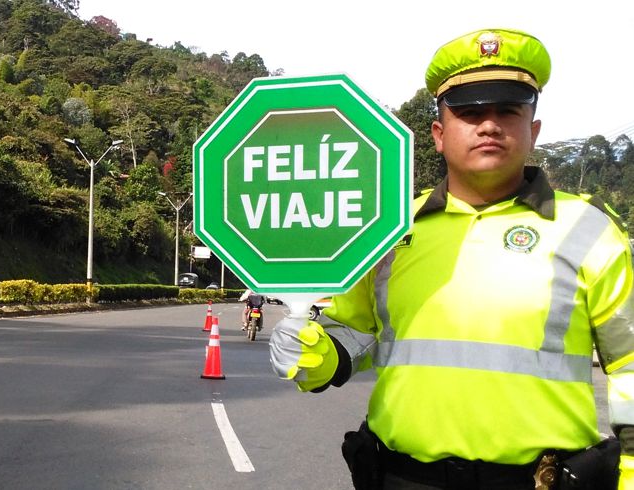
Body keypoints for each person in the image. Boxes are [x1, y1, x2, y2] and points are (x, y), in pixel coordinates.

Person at [270, 28, 634, 490]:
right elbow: (355, 332)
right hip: (404, 480)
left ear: (533, 130)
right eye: (470, 113)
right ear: (439, 135)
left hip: (542, 482)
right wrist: (311, 355)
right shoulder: (387, 228)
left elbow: (629, 367)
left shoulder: (589, 229)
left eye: (508, 110)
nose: (489, 125)